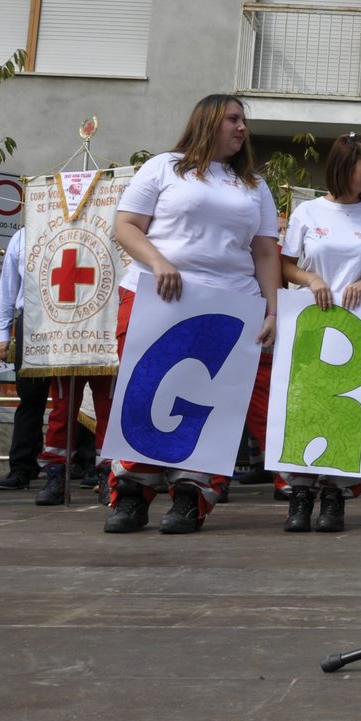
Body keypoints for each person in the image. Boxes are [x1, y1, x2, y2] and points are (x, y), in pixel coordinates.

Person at [107, 94, 281, 534]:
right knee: (145, 392)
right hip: (158, 296)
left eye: (244, 121)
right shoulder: (164, 166)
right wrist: (160, 261)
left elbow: (264, 252)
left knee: (210, 401)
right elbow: (125, 225)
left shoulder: (254, 186)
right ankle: (131, 494)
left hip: (231, 304)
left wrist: (273, 310)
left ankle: (191, 497)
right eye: (233, 119)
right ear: (207, 122)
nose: (242, 128)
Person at [279, 132, 361, 533]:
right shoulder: (307, 214)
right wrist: (310, 279)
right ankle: (299, 494)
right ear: (346, 167)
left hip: (358, 329)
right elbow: (285, 266)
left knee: (348, 410)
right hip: (311, 327)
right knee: (303, 408)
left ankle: (335, 496)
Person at [0, 226, 48, 491]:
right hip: (33, 320)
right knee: (30, 395)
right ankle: (23, 466)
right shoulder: (24, 234)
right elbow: (8, 284)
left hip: (77, 316)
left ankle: (84, 462)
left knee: (76, 393)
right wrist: (2, 333)